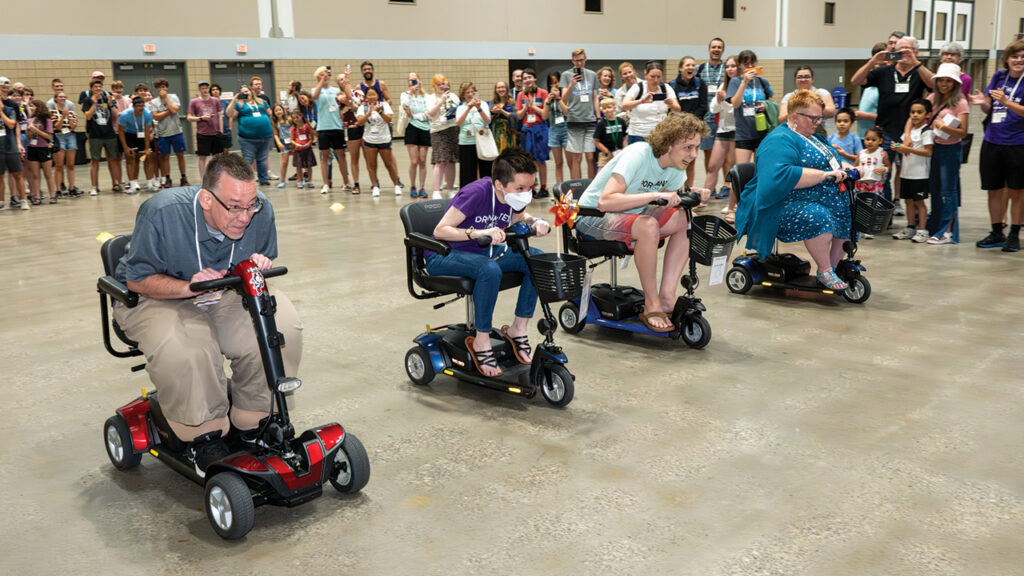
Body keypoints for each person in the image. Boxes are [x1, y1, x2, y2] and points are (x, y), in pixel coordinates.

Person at [112, 153, 302, 475]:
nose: (244, 217)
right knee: (191, 347)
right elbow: (136, 279)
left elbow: (260, 257)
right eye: (234, 207)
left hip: (224, 291)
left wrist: (257, 263)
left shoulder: (260, 209)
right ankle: (204, 435)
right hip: (154, 296)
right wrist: (188, 287)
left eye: (250, 205)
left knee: (281, 326)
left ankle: (252, 420)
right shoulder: (162, 212)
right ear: (205, 199)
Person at [575, 112, 712, 332]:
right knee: (647, 225)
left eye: (696, 147)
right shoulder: (638, 154)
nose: (694, 154)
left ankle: (667, 296)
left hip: (633, 215)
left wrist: (692, 193)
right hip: (592, 217)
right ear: (668, 144)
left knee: (687, 219)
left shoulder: (678, 166)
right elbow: (605, 201)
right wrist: (652, 196)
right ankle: (651, 303)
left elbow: (668, 201)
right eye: (687, 147)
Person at [426, 148, 550, 377]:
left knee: (536, 259)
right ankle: (482, 340)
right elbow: (440, 230)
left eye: (530, 187)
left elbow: (518, 217)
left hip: (487, 253)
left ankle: (518, 329)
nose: (525, 193)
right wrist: (478, 232)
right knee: (489, 269)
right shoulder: (477, 193)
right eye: (520, 188)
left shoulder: (514, 197)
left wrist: (536, 221)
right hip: (444, 255)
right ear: (499, 184)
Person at [734, 90, 853, 290]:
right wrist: (822, 175)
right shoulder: (779, 140)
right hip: (779, 203)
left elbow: (836, 162)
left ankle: (832, 268)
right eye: (813, 118)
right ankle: (824, 269)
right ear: (795, 117)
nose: (817, 122)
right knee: (818, 216)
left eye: (819, 118)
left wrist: (853, 169)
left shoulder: (814, 137)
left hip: (815, 197)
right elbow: (780, 176)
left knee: (848, 211)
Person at [851, 35, 935, 201]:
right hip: (886, 131)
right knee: (882, 172)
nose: (903, 53)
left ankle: (915, 218)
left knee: (913, 174)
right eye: (899, 50)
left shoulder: (919, 72)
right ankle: (884, 212)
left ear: (916, 52)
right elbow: (856, 80)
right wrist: (872, 62)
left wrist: (916, 63)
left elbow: (934, 85)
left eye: (907, 49)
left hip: (912, 132)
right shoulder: (884, 72)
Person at [970, 39, 1024, 252]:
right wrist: (982, 103)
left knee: (1017, 191)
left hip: (1018, 143)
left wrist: (1007, 102)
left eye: (1022, 57)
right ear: (1007, 59)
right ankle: (996, 232)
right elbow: (989, 109)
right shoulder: (999, 77)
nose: (1019, 60)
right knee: (993, 189)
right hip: (992, 140)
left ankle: (1014, 234)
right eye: (1015, 56)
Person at [924, 63, 970, 245]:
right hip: (933, 148)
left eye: (948, 81)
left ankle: (947, 232)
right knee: (934, 190)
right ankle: (935, 228)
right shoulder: (932, 98)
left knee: (948, 191)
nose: (944, 84)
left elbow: (963, 132)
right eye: (941, 80)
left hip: (950, 151)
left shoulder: (961, 102)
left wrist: (944, 128)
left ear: (955, 83)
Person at [890, 99, 933, 242]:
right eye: (913, 112)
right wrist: (896, 146)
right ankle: (910, 227)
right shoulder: (909, 131)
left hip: (920, 174)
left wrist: (906, 149)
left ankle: (922, 229)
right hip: (906, 173)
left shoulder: (926, 131)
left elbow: (928, 152)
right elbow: (903, 146)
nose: (915, 115)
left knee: (919, 202)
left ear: (927, 114)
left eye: (919, 112)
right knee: (908, 201)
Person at [705, 55, 740, 216]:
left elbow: (736, 108)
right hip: (723, 130)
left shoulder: (741, 85)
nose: (730, 69)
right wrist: (719, 101)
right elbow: (713, 109)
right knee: (713, 166)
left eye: (733, 66)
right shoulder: (723, 85)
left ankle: (733, 205)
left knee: (734, 169)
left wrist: (724, 102)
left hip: (738, 131)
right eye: (727, 66)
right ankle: (703, 200)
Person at [311, 66, 353, 195]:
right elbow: (314, 96)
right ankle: (325, 184)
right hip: (323, 128)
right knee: (324, 156)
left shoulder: (335, 90)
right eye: (323, 74)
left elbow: (349, 98)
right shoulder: (315, 89)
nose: (326, 75)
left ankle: (346, 182)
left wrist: (346, 80)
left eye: (327, 73)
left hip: (336, 127)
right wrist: (321, 82)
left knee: (341, 154)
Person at [559, 48, 600, 179]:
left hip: (590, 120)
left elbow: (595, 98)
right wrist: (571, 84)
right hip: (574, 120)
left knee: (590, 156)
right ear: (572, 61)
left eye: (581, 60)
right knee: (577, 157)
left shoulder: (592, 75)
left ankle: (591, 187)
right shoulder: (566, 75)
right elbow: (563, 99)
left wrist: (598, 117)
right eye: (576, 61)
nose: (579, 63)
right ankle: (577, 188)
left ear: (585, 59)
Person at [728, 50, 774, 163]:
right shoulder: (735, 81)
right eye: (746, 64)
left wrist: (765, 106)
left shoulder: (763, 81)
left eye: (752, 63)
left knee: (761, 168)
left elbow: (770, 101)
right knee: (743, 170)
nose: (750, 66)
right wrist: (744, 82)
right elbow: (735, 104)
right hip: (743, 133)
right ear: (740, 65)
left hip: (762, 131)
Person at [669, 56, 708, 188]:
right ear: (681, 68)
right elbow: (672, 109)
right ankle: (676, 190)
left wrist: (691, 124)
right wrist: (683, 124)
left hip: (694, 129)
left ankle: (688, 191)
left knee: (690, 161)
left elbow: (703, 106)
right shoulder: (672, 85)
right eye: (688, 65)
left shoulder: (700, 84)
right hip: (678, 129)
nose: (691, 68)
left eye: (693, 65)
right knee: (677, 162)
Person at [356, 86, 402, 197]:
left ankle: (396, 185)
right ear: (366, 97)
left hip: (384, 139)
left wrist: (379, 111)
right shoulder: (362, 108)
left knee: (389, 164)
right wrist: (368, 113)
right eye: (369, 95)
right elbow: (360, 122)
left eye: (374, 94)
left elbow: (388, 120)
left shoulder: (384, 105)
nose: (372, 97)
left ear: (378, 95)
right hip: (370, 139)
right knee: (371, 165)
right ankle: (375, 186)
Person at [621, 61, 681, 145]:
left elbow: (678, 109)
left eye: (658, 77)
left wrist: (671, 104)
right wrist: (641, 101)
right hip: (638, 134)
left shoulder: (666, 88)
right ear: (646, 75)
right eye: (652, 76)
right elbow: (624, 106)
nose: (656, 80)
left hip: (659, 135)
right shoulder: (638, 87)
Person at [225, 85, 274, 187]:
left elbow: (270, 113)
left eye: (247, 91)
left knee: (262, 159)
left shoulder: (261, 102)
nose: (246, 93)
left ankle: (263, 179)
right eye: (243, 92)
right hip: (247, 139)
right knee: (248, 160)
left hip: (265, 136)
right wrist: (234, 100)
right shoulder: (239, 105)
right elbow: (229, 114)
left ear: (251, 92)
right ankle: (245, 180)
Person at [81, 77, 123, 196]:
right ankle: (94, 186)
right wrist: (94, 103)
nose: (98, 89)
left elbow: (115, 115)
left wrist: (110, 104)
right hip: (95, 134)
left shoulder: (107, 98)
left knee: (114, 159)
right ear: (91, 89)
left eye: (100, 87)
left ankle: (117, 183)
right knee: (95, 161)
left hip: (109, 134)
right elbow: (88, 116)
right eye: (96, 87)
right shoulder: (88, 100)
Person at [148, 78, 188, 189]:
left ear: (167, 87)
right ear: (156, 89)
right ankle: (167, 178)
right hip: (163, 133)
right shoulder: (154, 102)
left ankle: (183, 177)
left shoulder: (173, 97)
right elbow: (156, 116)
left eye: (164, 86)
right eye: (159, 87)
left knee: (180, 155)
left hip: (176, 131)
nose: (162, 89)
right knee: (164, 157)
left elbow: (175, 111)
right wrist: (168, 110)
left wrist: (166, 99)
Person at [515, 69, 549, 198]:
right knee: (529, 161)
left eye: (529, 77)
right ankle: (531, 187)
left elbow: (545, 115)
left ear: (534, 79)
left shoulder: (543, 93)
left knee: (540, 160)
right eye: (524, 78)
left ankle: (544, 188)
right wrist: (525, 107)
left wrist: (533, 106)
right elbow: (518, 116)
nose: (527, 80)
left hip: (540, 129)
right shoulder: (520, 95)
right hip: (526, 130)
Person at [425, 74, 459, 199]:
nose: (442, 86)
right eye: (439, 84)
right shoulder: (430, 97)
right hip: (438, 131)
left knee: (451, 161)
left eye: (443, 84)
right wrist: (442, 100)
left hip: (453, 129)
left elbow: (459, 109)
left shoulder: (453, 96)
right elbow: (431, 113)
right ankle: (436, 190)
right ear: (434, 86)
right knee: (440, 161)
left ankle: (450, 189)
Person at [852, 126, 889, 240]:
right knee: (860, 207)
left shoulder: (882, 153)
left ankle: (870, 228)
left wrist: (884, 169)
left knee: (873, 207)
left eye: (873, 140)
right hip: (860, 185)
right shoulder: (861, 153)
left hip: (875, 185)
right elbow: (855, 167)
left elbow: (888, 167)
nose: (869, 142)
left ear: (880, 141)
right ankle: (860, 227)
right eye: (867, 139)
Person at [778, 66, 836, 136]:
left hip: (818, 134)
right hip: (795, 135)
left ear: (812, 79)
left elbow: (832, 112)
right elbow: (781, 120)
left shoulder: (822, 93)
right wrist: (797, 109)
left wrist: (814, 106)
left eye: (806, 76)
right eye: (799, 77)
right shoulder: (788, 97)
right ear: (795, 80)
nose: (803, 79)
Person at [697, 38, 726, 173]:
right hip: (707, 118)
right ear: (709, 49)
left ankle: (727, 184)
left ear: (723, 50)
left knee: (726, 153)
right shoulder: (700, 69)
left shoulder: (728, 69)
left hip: (725, 118)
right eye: (714, 47)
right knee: (708, 152)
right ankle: (711, 185)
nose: (716, 50)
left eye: (719, 47)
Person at [455, 82, 492, 188]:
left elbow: (487, 121)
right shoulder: (460, 108)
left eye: (472, 92)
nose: (471, 94)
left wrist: (479, 108)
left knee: (486, 170)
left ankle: (487, 192)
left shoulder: (483, 104)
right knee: (467, 172)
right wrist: (468, 108)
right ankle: (467, 194)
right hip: (466, 142)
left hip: (482, 141)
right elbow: (459, 123)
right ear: (463, 94)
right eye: (468, 92)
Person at [401, 72, 431, 198]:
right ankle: (412, 185)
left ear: (420, 80)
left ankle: (422, 187)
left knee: (423, 161)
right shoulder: (405, 95)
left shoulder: (427, 97)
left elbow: (429, 113)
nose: (412, 82)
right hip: (412, 128)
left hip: (425, 128)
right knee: (414, 161)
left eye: (415, 80)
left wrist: (419, 116)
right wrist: (411, 93)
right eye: (410, 80)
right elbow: (407, 110)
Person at [186, 80, 224, 182]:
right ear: (199, 90)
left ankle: (216, 176)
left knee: (217, 156)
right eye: (203, 88)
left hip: (215, 133)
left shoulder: (215, 100)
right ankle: (203, 178)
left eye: (207, 88)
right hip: (203, 133)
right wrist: (201, 118)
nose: (205, 90)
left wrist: (221, 130)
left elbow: (220, 115)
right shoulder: (194, 102)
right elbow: (189, 117)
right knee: (202, 157)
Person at [118, 96, 154, 194]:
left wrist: (147, 148)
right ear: (133, 106)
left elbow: (147, 132)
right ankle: (133, 185)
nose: (141, 108)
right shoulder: (125, 115)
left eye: (142, 106)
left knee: (147, 158)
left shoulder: (147, 114)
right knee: (130, 158)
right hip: (129, 135)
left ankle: (150, 184)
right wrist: (125, 147)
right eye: (138, 106)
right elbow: (120, 131)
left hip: (142, 135)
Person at [24, 100, 56, 205]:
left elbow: (48, 136)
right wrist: (29, 131)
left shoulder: (47, 120)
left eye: (32, 106)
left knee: (48, 174)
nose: (31, 108)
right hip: (33, 147)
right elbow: (28, 137)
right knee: (35, 175)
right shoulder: (30, 120)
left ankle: (52, 195)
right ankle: (37, 196)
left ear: (38, 107)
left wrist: (36, 130)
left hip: (44, 147)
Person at [49, 91, 80, 197]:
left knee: (70, 165)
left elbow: (73, 126)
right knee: (59, 165)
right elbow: (56, 127)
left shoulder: (70, 112)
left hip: (70, 136)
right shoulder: (52, 112)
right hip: (58, 136)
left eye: (64, 97)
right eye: (60, 97)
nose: (62, 98)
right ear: (55, 99)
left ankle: (72, 187)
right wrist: (62, 116)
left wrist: (68, 117)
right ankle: (58, 189)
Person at [0, 91, 27, 210]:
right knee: (0, 176)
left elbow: (12, 125)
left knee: (17, 174)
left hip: (10, 146)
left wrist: (0, 112)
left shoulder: (9, 109)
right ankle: (1, 201)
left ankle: (23, 199)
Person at [855, 43, 887, 139]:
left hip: (877, 138)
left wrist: (864, 115)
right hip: (863, 135)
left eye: (881, 64)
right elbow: (855, 81)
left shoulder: (885, 86)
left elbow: (887, 116)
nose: (876, 66)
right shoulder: (867, 85)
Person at [545, 75, 569, 190]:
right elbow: (544, 116)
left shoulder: (565, 95)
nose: (554, 84)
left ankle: (571, 188)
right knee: (558, 163)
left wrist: (559, 99)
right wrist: (547, 102)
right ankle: (560, 190)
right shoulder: (548, 98)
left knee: (571, 162)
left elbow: (566, 113)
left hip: (566, 130)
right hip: (554, 131)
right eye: (551, 82)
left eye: (556, 81)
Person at [594, 98, 627, 169]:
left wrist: (623, 149)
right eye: (604, 108)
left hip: (619, 152)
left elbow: (624, 137)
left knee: (620, 170)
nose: (607, 110)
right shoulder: (601, 124)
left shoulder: (620, 121)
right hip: (605, 154)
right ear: (602, 110)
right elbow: (596, 141)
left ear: (614, 108)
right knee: (601, 174)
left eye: (609, 107)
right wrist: (606, 151)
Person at [289, 109, 317, 188]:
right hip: (298, 149)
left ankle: (310, 180)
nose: (295, 120)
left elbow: (312, 137)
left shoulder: (307, 126)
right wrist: (296, 144)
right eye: (293, 118)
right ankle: (299, 181)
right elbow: (291, 139)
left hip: (307, 149)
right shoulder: (293, 128)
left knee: (309, 166)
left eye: (297, 117)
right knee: (299, 166)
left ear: (301, 117)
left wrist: (309, 143)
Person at [490, 81, 517, 153]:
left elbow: (515, 116)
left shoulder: (512, 101)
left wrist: (502, 111)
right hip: (497, 131)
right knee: (499, 152)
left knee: (510, 153)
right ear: (496, 90)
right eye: (498, 88)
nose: (501, 89)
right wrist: (492, 112)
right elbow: (489, 120)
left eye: (503, 87)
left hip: (510, 130)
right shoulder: (493, 102)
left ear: (507, 89)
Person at [271, 103, 292, 187]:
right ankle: (282, 181)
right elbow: (275, 133)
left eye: (279, 110)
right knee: (284, 162)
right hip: (283, 143)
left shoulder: (289, 119)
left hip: (293, 142)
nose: (278, 112)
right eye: (276, 110)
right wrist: (279, 142)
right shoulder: (275, 121)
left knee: (298, 161)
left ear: (283, 110)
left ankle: (301, 179)